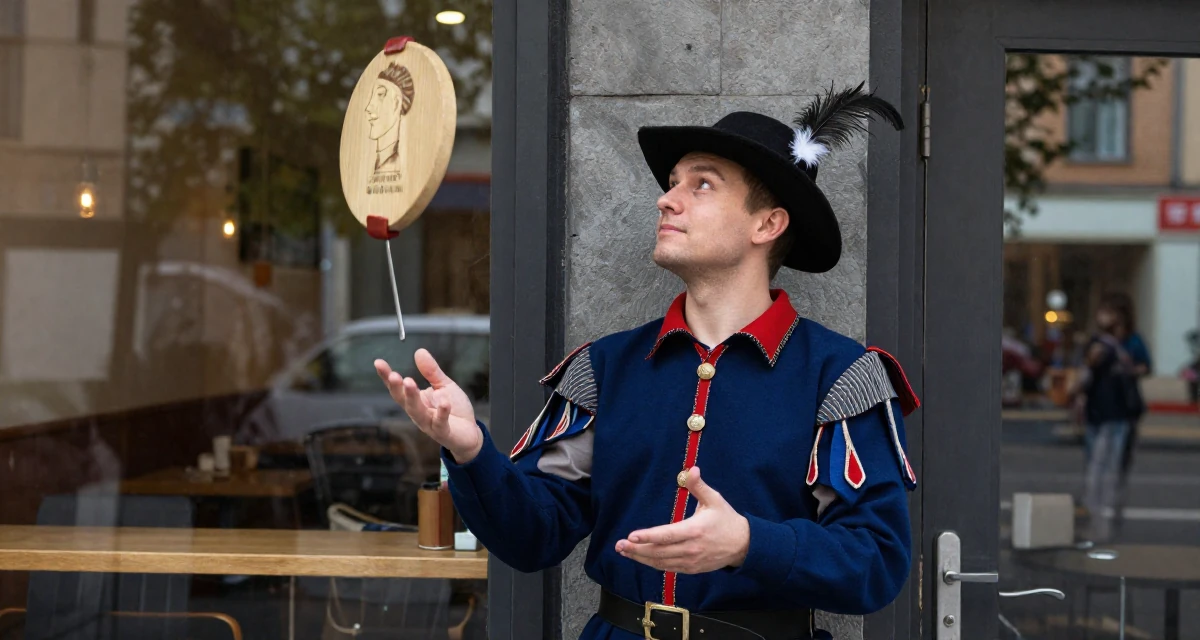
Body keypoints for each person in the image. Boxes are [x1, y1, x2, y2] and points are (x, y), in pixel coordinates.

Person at [376, 84, 916, 640]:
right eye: (671, 183)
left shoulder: (840, 376)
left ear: (767, 225)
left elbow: (875, 563)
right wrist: (470, 452)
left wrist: (749, 543)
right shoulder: (605, 368)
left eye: (701, 184)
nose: (667, 199)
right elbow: (532, 538)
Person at [1079, 294, 1142, 542]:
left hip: (1117, 413)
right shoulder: (1098, 342)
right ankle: (1095, 513)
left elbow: (1144, 366)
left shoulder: (1130, 343)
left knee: (1109, 465)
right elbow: (1088, 370)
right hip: (1099, 411)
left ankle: (1104, 514)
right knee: (1097, 463)